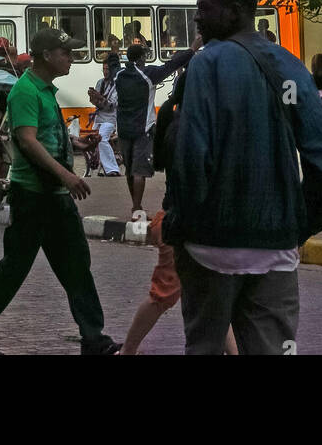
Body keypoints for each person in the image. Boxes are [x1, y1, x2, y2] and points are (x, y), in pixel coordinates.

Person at [164, 0, 322, 356]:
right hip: (275, 247)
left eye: (204, 10)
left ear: (236, 12)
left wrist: (184, 222)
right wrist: (298, 224)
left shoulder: (206, 64)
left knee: (205, 345)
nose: (196, 19)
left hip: (210, 244)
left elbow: (193, 158)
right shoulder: (291, 67)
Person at [0, 27, 120, 356]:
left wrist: (76, 142)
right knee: (14, 268)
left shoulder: (45, 90)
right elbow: (27, 142)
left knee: (76, 265)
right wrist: (67, 175)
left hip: (54, 197)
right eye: (66, 53)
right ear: (46, 56)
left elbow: (44, 134)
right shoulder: (25, 91)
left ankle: (94, 340)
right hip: (34, 196)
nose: (71, 59)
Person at [121, 68, 238, 357]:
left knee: (211, 297)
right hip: (183, 224)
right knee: (164, 296)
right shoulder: (191, 129)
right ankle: (127, 351)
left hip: (178, 220)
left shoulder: (177, 122)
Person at [115, 37, 198, 219]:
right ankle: (137, 209)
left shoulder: (119, 75)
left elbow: (113, 70)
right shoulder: (148, 75)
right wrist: (192, 48)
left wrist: (114, 51)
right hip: (142, 129)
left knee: (129, 170)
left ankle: (136, 206)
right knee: (139, 171)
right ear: (141, 58)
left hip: (122, 129)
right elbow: (172, 64)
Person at [88, 55, 120, 177]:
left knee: (102, 139)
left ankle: (112, 169)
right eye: (104, 69)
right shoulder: (100, 82)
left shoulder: (116, 84)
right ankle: (102, 168)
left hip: (110, 118)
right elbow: (95, 103)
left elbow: (112, 105)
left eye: (107, 69)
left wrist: (100, 98)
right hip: (99, 117)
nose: (105, 72)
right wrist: (93, 96)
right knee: (93, 141)